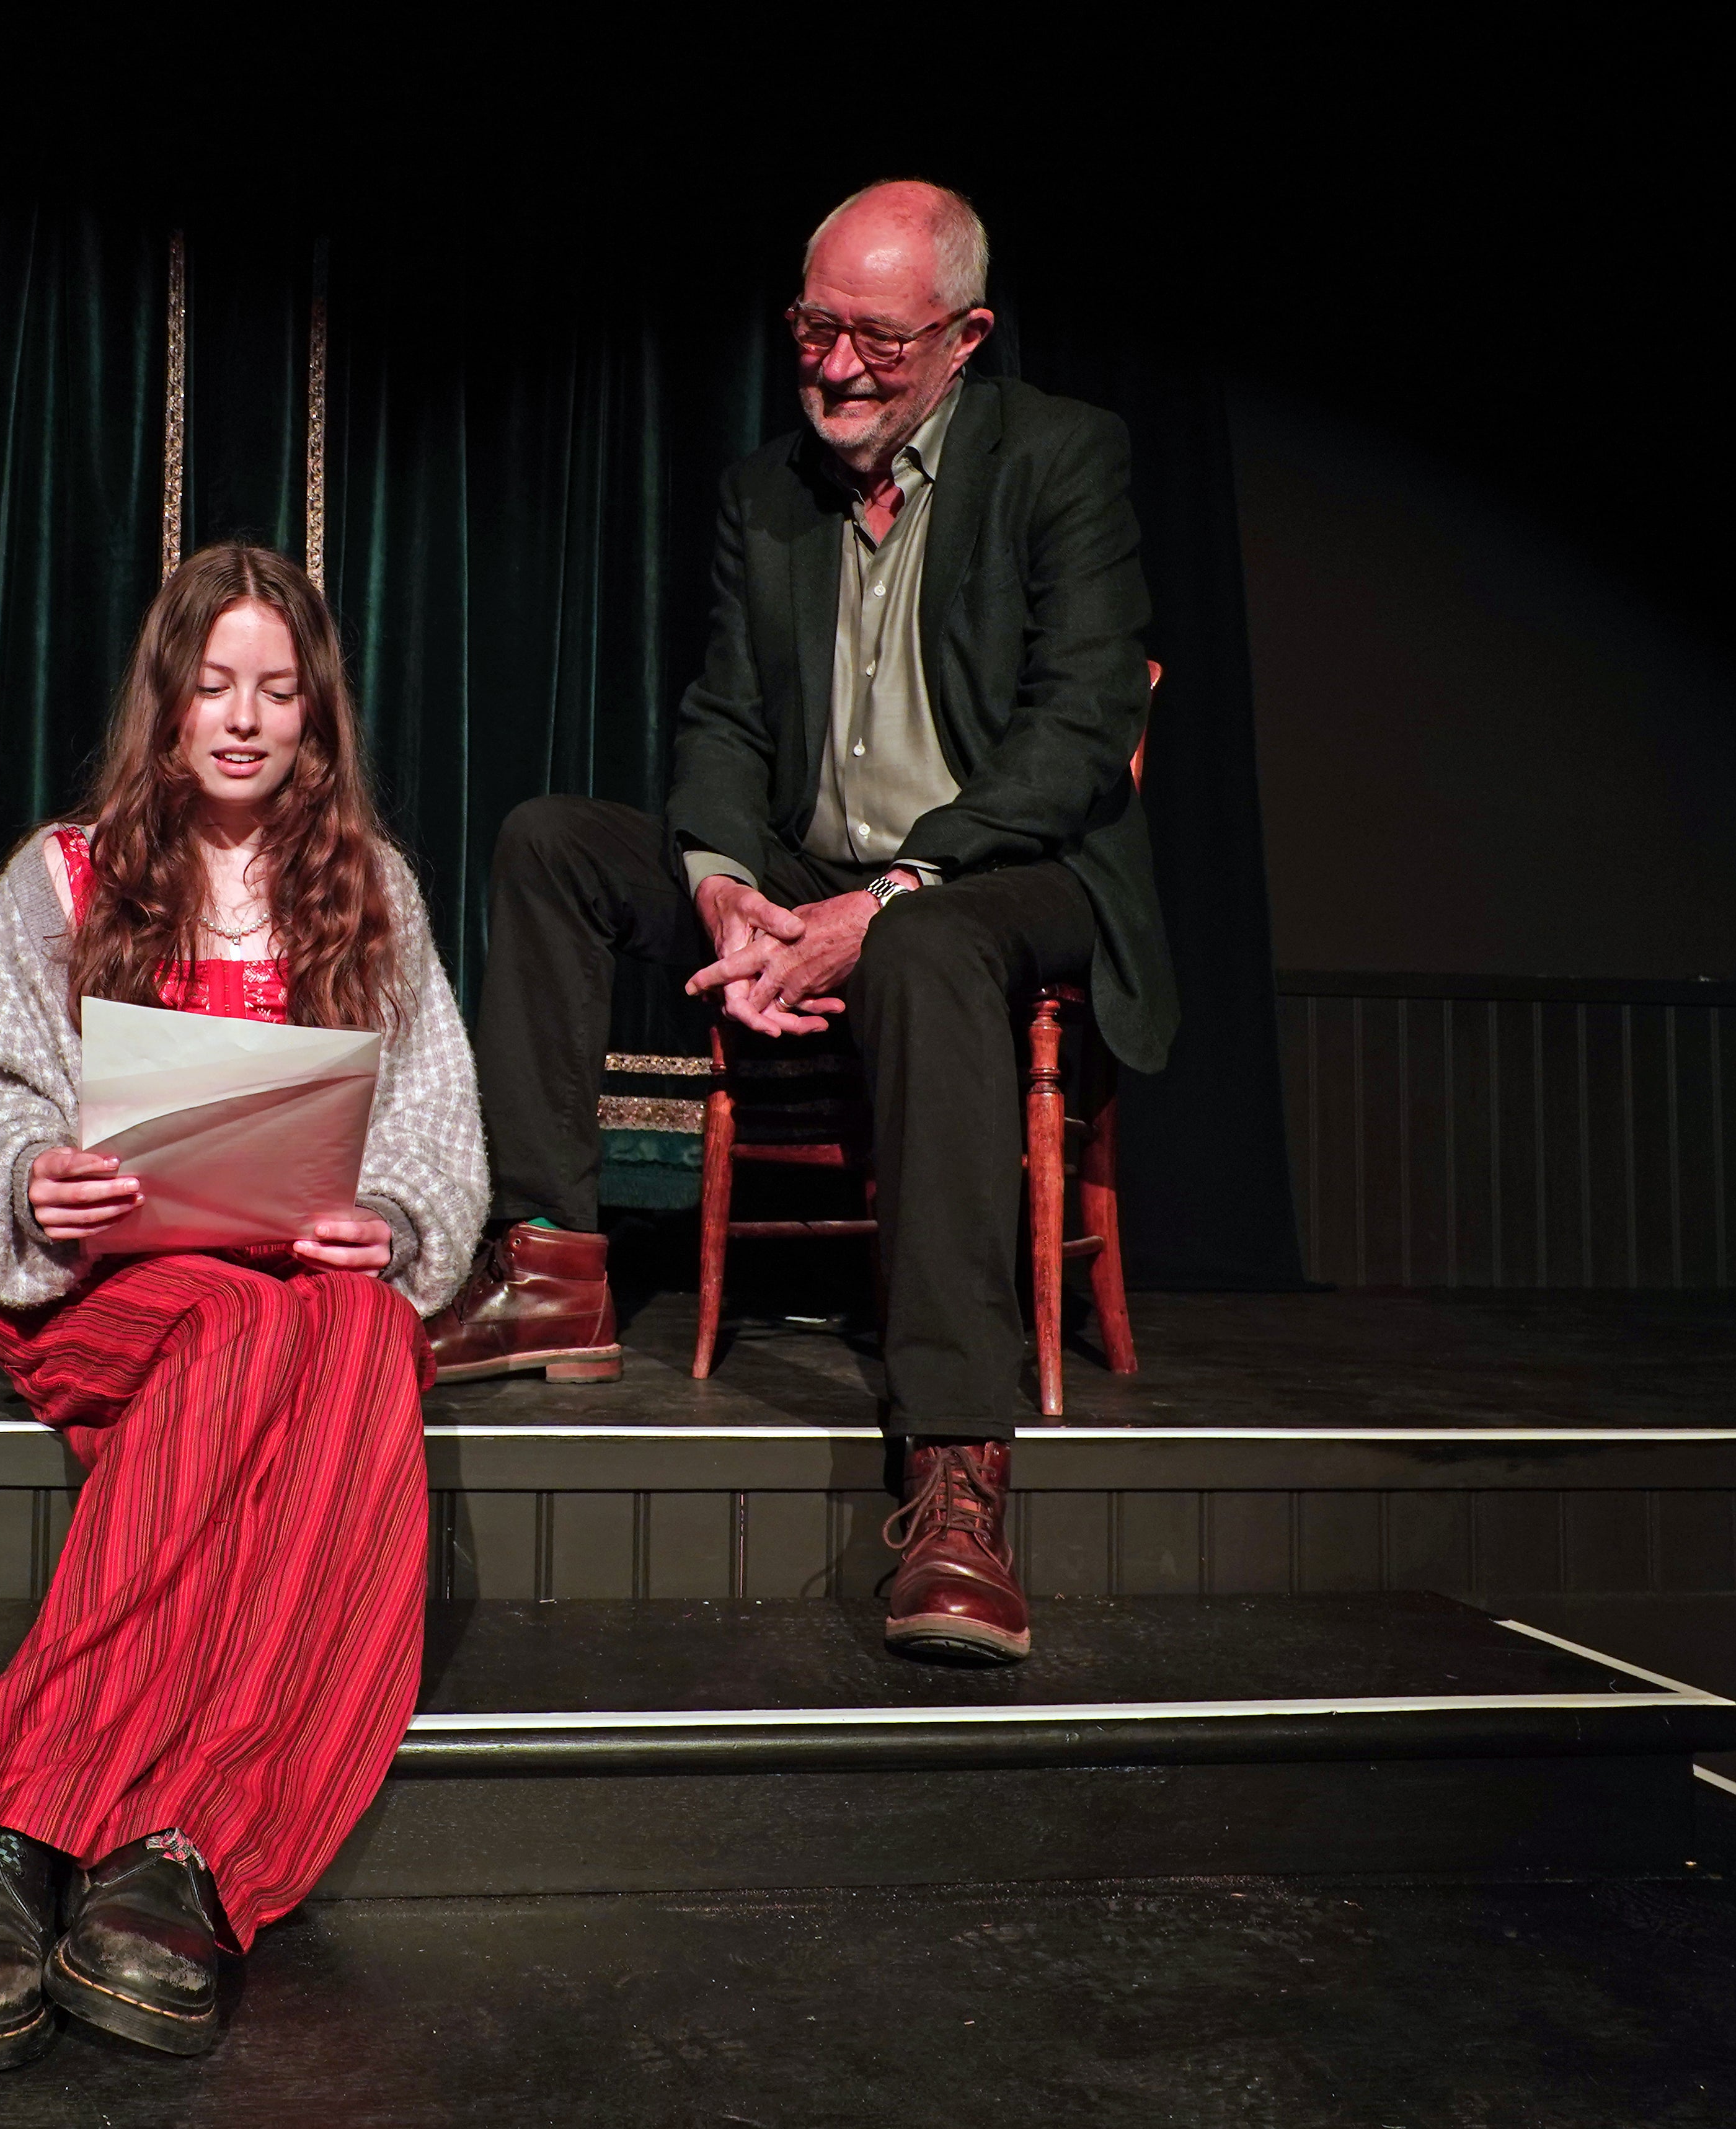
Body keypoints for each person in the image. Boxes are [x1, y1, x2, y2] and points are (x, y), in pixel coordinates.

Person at [426, 179, 1177, 1665]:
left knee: (928, 938)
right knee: (549, 844)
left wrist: (893, 890)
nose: (833, 367)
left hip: (1001, 876)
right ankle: (553, 1266)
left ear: (962, 338)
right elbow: (719, 718)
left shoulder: (1063, 459)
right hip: (800, 864)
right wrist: (723, 885)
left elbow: (1081, 728)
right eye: (811, 328)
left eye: (874, 342)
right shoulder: (766, 487)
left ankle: (959, 1471)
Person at [0, 541, 486, 2072]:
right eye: (214, 685)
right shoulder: (64, 875)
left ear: (315, 714)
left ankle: (181, 1845)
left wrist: (392, 1221)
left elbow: (433, 1127)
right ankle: (16, 1811)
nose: (243, 718)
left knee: (354, 1329)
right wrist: (34, 1183)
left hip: (298, 1298)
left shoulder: (370, 887)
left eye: (277, 692)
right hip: (116, 1300)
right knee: (231, 1325)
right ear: (165, 700)